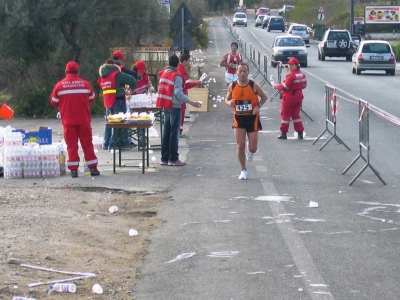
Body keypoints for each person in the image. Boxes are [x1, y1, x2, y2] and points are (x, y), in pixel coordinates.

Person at [50, 62, 100, 178]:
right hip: (84, 120)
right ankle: (93, 168)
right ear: (78, 71)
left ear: (66, 72)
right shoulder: (85, 84)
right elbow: (92, 98)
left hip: (68, 121)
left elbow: (54, 102)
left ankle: (73, 171)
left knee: (71, 145)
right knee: (87, 144)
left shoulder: (59, 85)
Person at [156, 54, 202, 166]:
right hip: (175, 106)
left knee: (166, 132)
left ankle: (164, 158)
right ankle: (173, 158)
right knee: (174, 133)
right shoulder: (176, 76)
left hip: (165, 106)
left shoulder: (164, 74)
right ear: (177, 64)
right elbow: (178, 92)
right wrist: (192, 102)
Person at [225, 63, 268, 180]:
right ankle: (243, 169)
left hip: (252, 118)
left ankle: (251, 150)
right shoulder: (232, 86)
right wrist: (229, 103)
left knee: (253, 148)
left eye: (245, 71)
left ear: (248, 72)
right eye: (240, 71)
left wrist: (258, 106)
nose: (242, 73)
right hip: (238, 118)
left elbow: (264, 97)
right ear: (237, 73)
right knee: (240, 145)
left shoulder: (254, 85)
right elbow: (227, 98)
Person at [98, 58, 136, 150]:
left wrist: (121, 89)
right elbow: (132, 80)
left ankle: (106, 143)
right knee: (118, 123)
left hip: (108, 101)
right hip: (117, 101)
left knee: (109, 123)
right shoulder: (116, 74)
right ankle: (113, 144)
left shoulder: (103, 76)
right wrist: (132, 90)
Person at [271, 57, 307, 140]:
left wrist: (275, 85)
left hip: (289, 97)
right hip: (299, 95)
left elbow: (285, 87)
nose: (289, 67)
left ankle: (283, 133)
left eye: (291, 65)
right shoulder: (302, 74)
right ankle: (300, 132)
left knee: (285, 115)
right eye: (289, 65)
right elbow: (304, 85)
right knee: (296, 115)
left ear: (296, 65)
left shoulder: (290, 76)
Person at [178, 53, 201, 138]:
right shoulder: (182, 70)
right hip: (182, 94)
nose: (190, 62)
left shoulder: (179, 68)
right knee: (181, 113)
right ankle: (179, 131)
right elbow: (186, 84)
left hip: (179, 94)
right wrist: (196, 83)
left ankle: (178, 131)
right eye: (189, 60)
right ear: (184, 61)